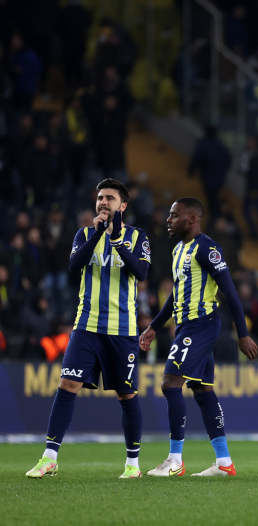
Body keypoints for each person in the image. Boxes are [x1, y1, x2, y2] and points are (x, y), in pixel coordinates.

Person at [25, 179, 151, 479]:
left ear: (123, 205)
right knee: (67, 385)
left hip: (122, 329)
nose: (103, 202)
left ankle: (132, 464)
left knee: (126, 395)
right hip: (86, 326)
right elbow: (74, 266)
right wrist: (98, 234)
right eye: (100, 197)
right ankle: (49, 457)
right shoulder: (84, 234)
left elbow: (141, 272)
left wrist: (117, 241)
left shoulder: (138, 236)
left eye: (109, 198)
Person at [139, 197, 258, 477]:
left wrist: (242, 334)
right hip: (186, 326)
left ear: (191, 219)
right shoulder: (178, 249)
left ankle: (175, 460)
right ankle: (224, 462)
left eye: (174, 215)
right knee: (202, 390)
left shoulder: (207, 249)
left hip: (200, 324)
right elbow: (176, 293)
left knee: (170, 384)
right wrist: (154, 326)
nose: (168, 220)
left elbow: (230, 292)